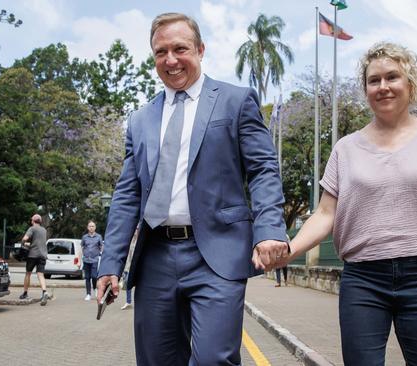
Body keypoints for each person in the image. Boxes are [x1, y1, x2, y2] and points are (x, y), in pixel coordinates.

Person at [273, 42, 417, 366]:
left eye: (392, 77)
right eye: (374, 80)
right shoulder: (345, 149)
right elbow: (327, 213)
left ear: (409, 83)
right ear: (366, 88)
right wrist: (290, 249)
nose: (383, 86)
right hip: (363, 279)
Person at [96, 12, 288, 365]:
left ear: (200, 49)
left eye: (180, 49)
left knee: (214, 359)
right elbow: (127, 195)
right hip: (155, 257)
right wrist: (110, 263)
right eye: (160, 52)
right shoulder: (140, 120)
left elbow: (262, 169)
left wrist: (270, 229)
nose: (170, 60)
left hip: (217, 253)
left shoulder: (235, 100)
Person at [19, 214, 50, 306]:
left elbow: (25, 239)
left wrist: (24, 243)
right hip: (43, 255)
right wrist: (31, 244)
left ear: (33, 221)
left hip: (33, 255)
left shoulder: (32, 228)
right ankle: (44, 292)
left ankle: (25, 293)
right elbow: (38, 242)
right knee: (41, 275)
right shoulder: (44, 230)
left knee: (28, 273)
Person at [80, 220, 103, 301]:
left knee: (94, 276)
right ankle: (88, 294)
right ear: (87, 227)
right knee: (87, 277)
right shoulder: (84, 237)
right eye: (90, 226)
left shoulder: (99, 237)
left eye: (93, 226)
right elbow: (82, 247)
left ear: (95, 227)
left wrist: (102, 254)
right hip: (86, 260)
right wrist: (81, 258)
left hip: (95, 259)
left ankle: (95, 289)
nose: (91, 227)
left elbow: (101, 247)